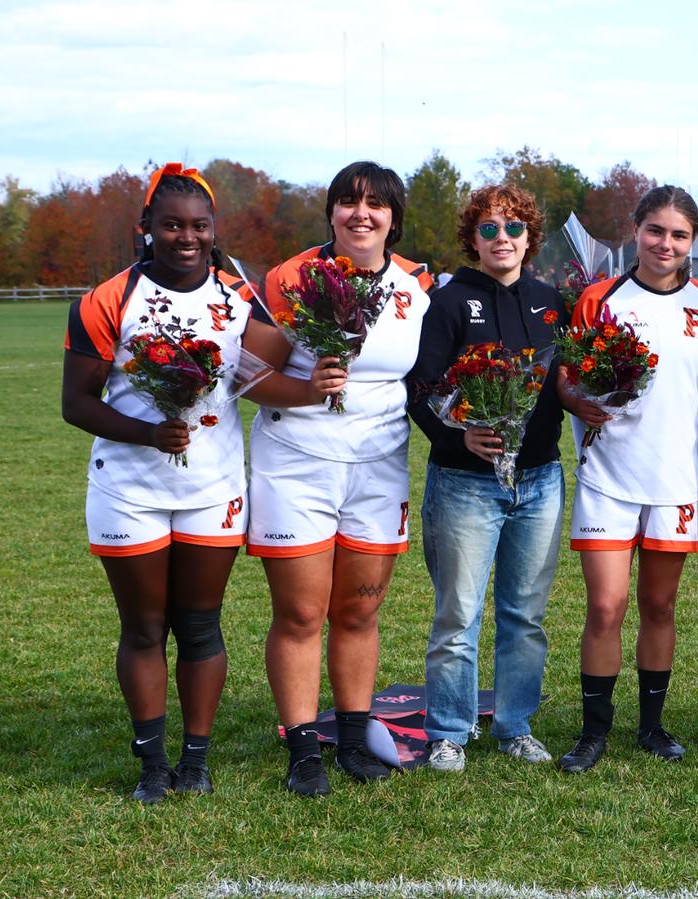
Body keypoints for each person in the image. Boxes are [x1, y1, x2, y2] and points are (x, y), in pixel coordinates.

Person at [241, 161, 434, 796]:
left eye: (375, 205)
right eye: (348, 203)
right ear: (330, 213)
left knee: (358, 609)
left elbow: (429, 378)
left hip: (379, 465)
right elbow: (247, 375)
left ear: (393, 219)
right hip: (297, 461)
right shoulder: (291, 278)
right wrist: (305, 389)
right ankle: (302, 750)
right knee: (300, 612)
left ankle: (352, 739)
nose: (361, 214)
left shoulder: (417, 286)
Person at [61, 164, 252, 802]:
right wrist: (147, 435)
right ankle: (151, 766)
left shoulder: (238, 295)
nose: (186, 237)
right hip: (128, 487)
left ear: (213, 230)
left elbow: (268, 369)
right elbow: (76, 403)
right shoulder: (107, 298)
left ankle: (194, 762)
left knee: (200, 625)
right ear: (146, 229)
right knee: (143, 628)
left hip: (213, 486)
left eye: (199, 226)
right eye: (172, 225)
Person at [556, 186, 698, 774]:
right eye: (656, 231)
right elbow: (565, 379)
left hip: (676, 479)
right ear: (635, 230)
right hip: (607, 475)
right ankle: (593, 729)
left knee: (659, 604)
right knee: (606, 606)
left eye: (679, 235)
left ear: (692, 242)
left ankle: (651, 725)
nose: (666, 244)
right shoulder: (598, 298)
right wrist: (579, 403)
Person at [406, 186, 566, 773]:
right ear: (472, 238)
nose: (503, 239)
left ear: (531, 237)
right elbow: (419, 389)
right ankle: (448, 730)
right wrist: (459, 435)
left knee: (524, 615)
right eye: (490, 229)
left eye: (515, 228)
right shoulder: (449, 303)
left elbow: (567, 383)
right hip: (465, 482)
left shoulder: (554, 302)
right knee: (459, 614)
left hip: (540, 478)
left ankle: (515, 725)